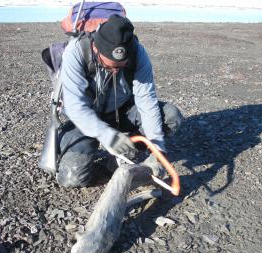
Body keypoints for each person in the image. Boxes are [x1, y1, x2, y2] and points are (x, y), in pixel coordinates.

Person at [57, 14, 182, 188]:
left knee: (171, 116)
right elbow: (74, 106)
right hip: (85, 118)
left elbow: (146, 100)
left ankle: (124, 153)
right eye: (109, 66)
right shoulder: (76, 51)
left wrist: (157, 145)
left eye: (121, 66)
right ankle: (81, 147)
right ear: (95, 49)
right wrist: (106, 135)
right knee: (71, 179)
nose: (115, 71)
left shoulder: (138, 53)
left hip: (121, 111)